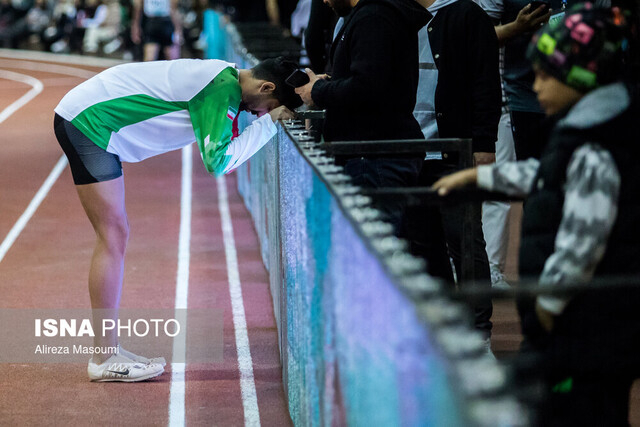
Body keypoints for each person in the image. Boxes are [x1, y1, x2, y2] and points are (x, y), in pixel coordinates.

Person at [432, 5, 640, 423]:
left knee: (577, 411)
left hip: (578, 328)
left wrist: (546, 308)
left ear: (580, 79)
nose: (536, 85)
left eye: (546, 76)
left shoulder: (595, 147)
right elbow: (548, 174)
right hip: (584, 326)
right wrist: (480, 180)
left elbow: (583, 242)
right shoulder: (584, 129)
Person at [53, 57, 300, 381]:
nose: (262, 113)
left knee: (116, 234)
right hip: (88, 121)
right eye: (268, 106)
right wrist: (269, 125)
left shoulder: (225, 77)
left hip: (87, 113)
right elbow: (219, 162)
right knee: (113, 235)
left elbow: (233, 132)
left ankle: (107, 350)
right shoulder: (220, 89)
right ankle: (103, 358)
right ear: (266, 87)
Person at [295, 0, 430, 235]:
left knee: (377, 252)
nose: (324, 2)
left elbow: (367, 86)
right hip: (375, 154)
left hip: (374, 156)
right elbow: (373, 80)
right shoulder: (371, 16)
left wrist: (317, 91)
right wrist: (329, 84)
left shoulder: (373, 17)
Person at [410, 0, 501, 344]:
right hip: (411, 154)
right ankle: (442, 331)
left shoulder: (467, 15)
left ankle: (479, 334)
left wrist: (483, 144)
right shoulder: (394, 14)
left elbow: (486, 83)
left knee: (465, 242)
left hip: (455, 152)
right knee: (422, 246)